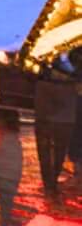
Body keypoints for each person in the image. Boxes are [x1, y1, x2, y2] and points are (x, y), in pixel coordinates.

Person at [35, 56, 77, 200]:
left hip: (46, 122)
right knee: (57, 155)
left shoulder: (43, 85)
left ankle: (49, 185)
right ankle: (51, 185)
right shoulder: (73, 87)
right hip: (63, 122)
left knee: (46, 155)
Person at [0, 109, 24, 226]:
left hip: (1, 172)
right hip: (8, 175)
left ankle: (3, 220)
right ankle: (4, 220)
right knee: (5, 201)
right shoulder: (13, 140)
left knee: (1, 201)